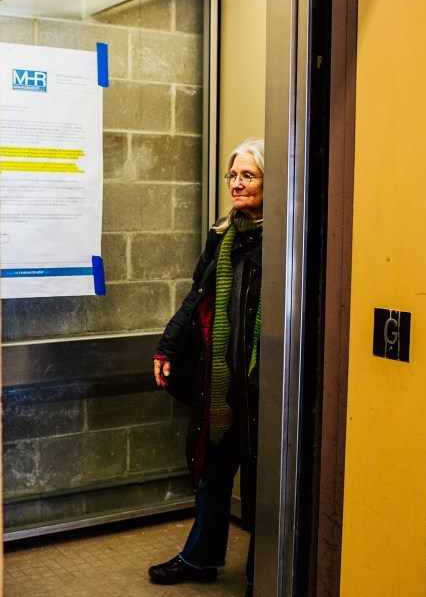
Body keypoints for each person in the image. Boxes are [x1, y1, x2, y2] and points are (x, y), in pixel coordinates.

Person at [148, 138, 264, 595]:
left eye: (248, 176)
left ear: (273, 182)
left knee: (261, 487)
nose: (236, 184)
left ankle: (265, 573)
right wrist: (166, 347)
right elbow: (195, 297)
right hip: (221, 385)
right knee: (212, 474)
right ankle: (200, 558)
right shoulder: (224, 235)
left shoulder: (288, 240)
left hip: (263, 389)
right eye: (233, 176)